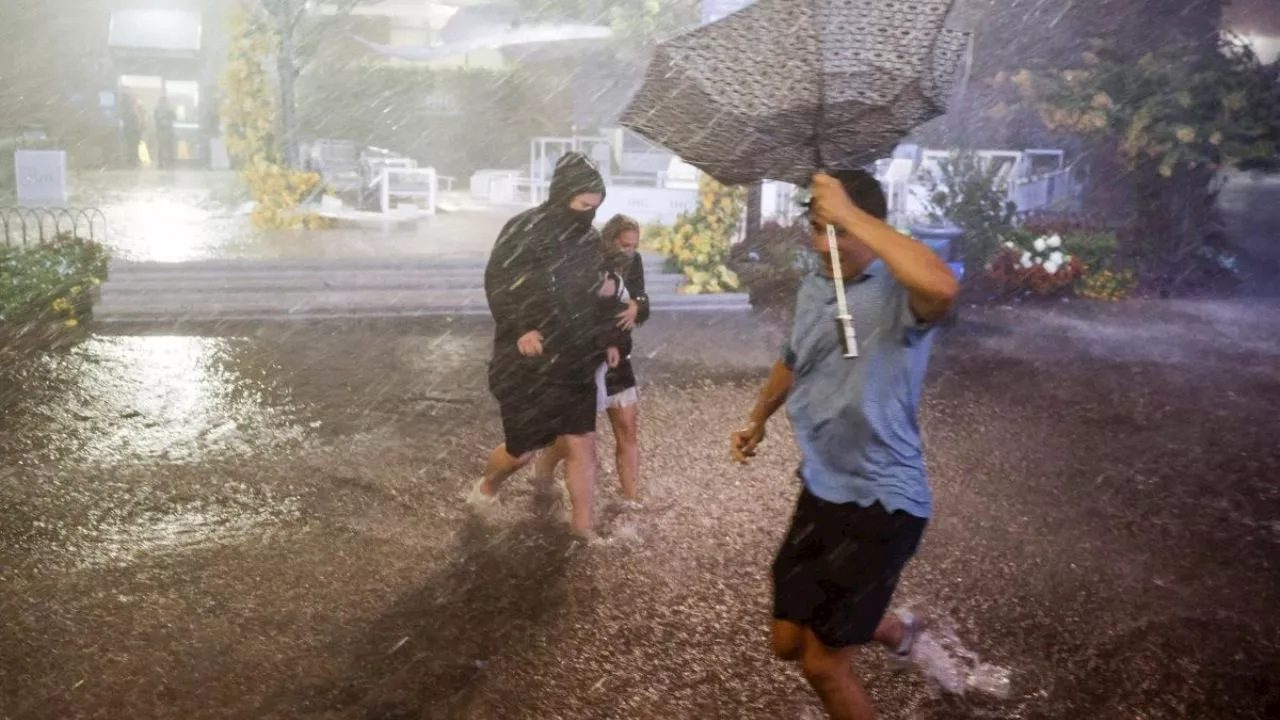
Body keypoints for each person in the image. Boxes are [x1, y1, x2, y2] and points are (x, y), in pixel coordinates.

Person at [730, 169, 960, 720]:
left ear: (870, 227)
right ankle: (896, 628)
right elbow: (794, 358)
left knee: (823, 664)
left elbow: (943, 288)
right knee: (786, 642)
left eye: (839, 232)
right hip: (823, 490)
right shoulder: (815, 289)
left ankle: (873, 627)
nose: (825, 246)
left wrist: (848, 213)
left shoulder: (900, 293)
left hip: (884, 502)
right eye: (817, 230)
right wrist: (758, 417)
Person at [471, 152, 622, 539]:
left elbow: (595, 295)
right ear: (562, 196)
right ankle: (486, 488)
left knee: (583, 443)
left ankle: (582, 530)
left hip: (574, 358)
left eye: (595, 207)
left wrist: (610, 325)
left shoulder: (589, 240)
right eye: (583, 205)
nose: (589, 214)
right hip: (528, 362)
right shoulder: (523, 229)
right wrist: (521, 327)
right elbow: (498, 282)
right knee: (521, 451)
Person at [533, 214, 649, 505]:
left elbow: (640, 298)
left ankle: (630, 499)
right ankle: (545, 465)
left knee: (627, 426)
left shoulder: (634, 262)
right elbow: (583, 313)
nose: (630, 251)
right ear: (609, 241)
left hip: (620, 355)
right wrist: (606, 339)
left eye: (634, 245)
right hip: (587, 355)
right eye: (624, 245)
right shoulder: (590, 264)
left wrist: (638, 305)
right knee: (579, 433)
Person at [153, 94, 176, 169]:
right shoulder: (167, 109)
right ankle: (167, 162)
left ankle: (162, 163)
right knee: (166, 147)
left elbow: (155, 118)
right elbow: (174, 117)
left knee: (162, 147)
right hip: (166, 131)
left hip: (163, 132)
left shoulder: (158, 108)